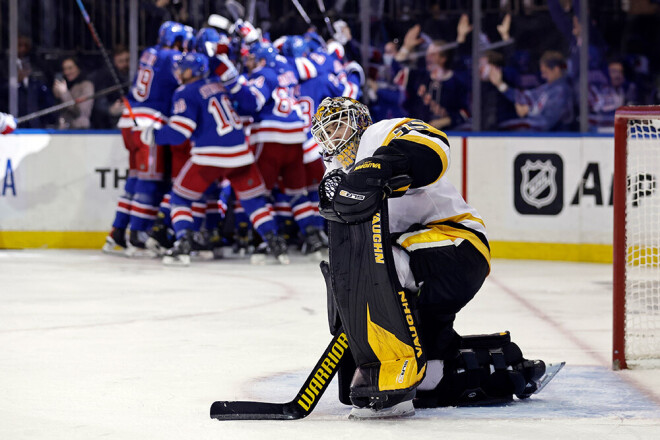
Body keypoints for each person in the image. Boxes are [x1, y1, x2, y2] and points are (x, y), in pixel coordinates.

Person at [311, 97, 546, 418]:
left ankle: (393, 372)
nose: (334, 137)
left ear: (359, 121)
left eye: (339, 125)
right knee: (430, 379)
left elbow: (435, 144)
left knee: (381, 266)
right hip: (417, 260)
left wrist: (382, 164)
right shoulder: (336, 176)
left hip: (459, 244)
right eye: (327, 132)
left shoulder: (379, 135)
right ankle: (477, 367)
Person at [146, 51, 286, 265]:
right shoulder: (220, 85)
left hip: (209, 155)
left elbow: (179, 133)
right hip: (240, 152)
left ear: (190, 71)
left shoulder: (185, 91)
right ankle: (275, 243)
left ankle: (184, 242)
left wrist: (154, 133)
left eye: (181, 68)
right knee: (254, 201)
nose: (177, 72)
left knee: (180, 198)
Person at [492, 50, 575, 131]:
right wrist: (501, 85)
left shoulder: (561, 90)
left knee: (504, 128)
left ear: (556, 70)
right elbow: (525, 97)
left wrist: (527, 111)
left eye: (545, 72)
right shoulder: (548, 87)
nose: (543, 76)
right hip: (544, 137)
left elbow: (547, 122)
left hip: (556, 138)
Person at [52, 56, 94, 129]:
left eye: (70, 68)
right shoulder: (66, 84)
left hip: (80, 130)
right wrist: (56, 94)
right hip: (64, 129)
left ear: (78, 68)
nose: (67, 72)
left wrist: (64, 93)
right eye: (64, 69)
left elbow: (80, 112)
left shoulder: (86, 85)